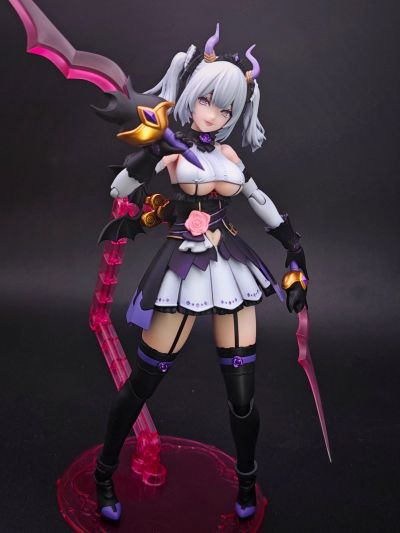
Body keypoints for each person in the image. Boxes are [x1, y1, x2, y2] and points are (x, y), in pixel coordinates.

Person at [94, 23, 308, 522]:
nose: (213, 114)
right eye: (207, 101)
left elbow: (260, 201)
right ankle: (104, 472)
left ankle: (246, 478)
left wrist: (295, 249)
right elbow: (119, 190)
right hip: (184, 265)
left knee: (242, 394)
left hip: (229, 264)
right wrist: (151, 153)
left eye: (226, 109)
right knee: (145, 380)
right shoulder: (170, 148)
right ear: (192, 95)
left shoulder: (229, 155)